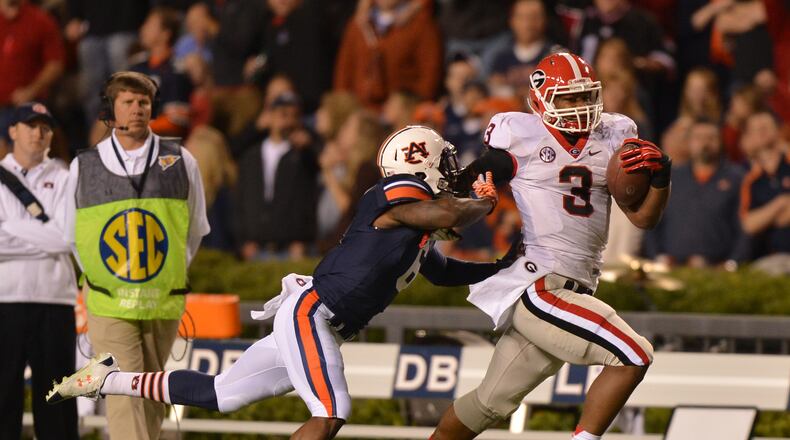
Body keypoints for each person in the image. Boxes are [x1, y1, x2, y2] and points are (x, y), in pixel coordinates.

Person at [48, 125, 521, 440]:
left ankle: (108, 378)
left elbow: (442, 272)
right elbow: (445, 211)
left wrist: (500, 265)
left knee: (222, 394)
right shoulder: (402, 194)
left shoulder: (418, 225)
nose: (454, 173)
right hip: (313, 314)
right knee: (331, 412)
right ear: (423, 165)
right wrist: (482, 199)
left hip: (320, 320)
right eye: (447, 163)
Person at [431, 52, 671, 440]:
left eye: (583, 96)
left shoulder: (615, 134)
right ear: (540, 99)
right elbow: (471, 182)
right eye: (567, 98)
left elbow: (643, 218)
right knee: (633, 354)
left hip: (575, 289)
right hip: (541, 284)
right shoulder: (520, 137)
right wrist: (472, 191)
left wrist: (661, 178)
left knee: (487, 404)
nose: (578, 107)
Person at [60, 71, 210, 440]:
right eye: (128, 102)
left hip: (162, 298)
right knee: (120, 386)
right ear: (110, 110)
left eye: (144, 102)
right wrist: (102, 277)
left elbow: (193, 230)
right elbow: (72, 236)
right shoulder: (84, 166)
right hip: (108, 300)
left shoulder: (181, 159)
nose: (138, 109)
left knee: (151, 391)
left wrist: (167, 273)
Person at [0, 103, 77, 439]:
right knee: (2, 398)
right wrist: (46, 235)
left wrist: (11, 228)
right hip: (4, 299)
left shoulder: (66, 176)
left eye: (45, 126)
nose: (38, 132)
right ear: (12, 130)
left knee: (58, 401)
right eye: (30, 125)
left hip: (55, 301)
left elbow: (68, 237)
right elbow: (56, 235)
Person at [646, 118, 745, 267]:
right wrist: (657, 256)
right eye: (698, 138)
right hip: (671, 267)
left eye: (711, 138)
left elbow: (745, 225)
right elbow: (651, 219)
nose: (705, 143)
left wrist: (733, 262)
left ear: (721, 142)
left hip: (717, 269)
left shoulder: (737, 178)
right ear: (689, 143)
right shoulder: (670, 176)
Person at [233, 91, 319, 261]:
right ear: (270, 116)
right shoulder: (252, 154)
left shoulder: (304, 155)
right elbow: (240, 198)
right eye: (283, 115)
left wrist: (303, 239)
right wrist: (242, 240)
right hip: (255, 247)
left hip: (292, 249)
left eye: (294, 116)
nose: (288, 121)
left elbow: (311, 198)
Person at [130, 6, 193, 138]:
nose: (143, 29)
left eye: (150, 24)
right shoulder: (136, 66)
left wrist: (138, 127)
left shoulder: (176, 71)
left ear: (165, 34)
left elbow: (175, 122)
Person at [739, 111, 790, 262]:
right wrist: (781, 203)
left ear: (778, 130)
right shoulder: (749, 179)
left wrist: (765, 217)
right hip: (768, 259)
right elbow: (748, 224)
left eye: (765, 127)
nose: (760, 132)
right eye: (755, 129)